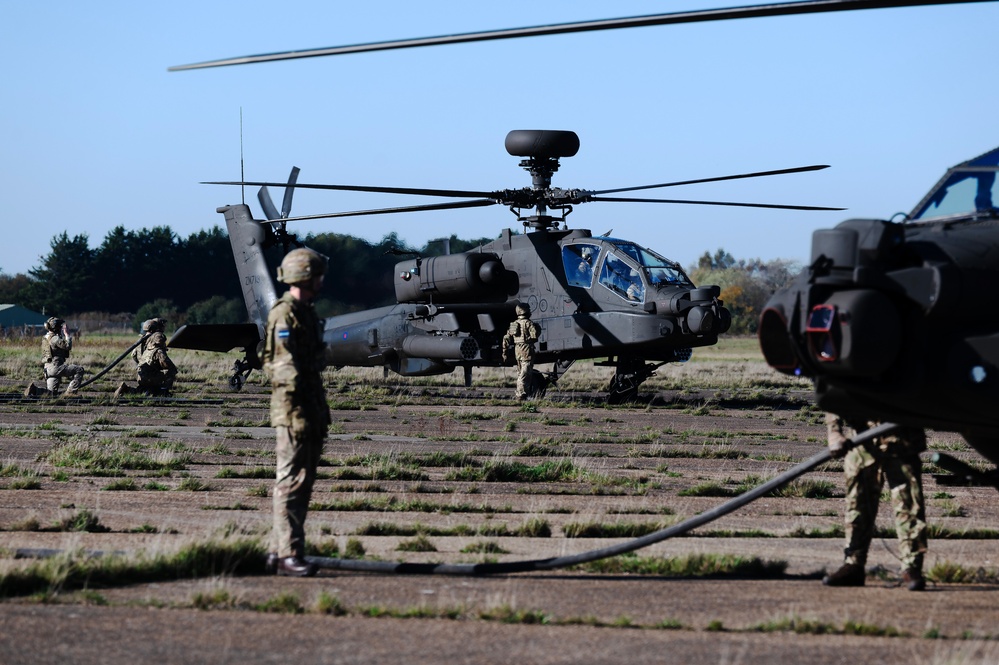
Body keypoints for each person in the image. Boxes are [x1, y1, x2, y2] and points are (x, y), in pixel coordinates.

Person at [262, 248, 331, 577]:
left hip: (309, 406)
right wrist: (301, 410)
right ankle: (289, 553)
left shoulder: (305, 312)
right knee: (291, 482)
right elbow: (283, 366)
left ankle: (278, 553)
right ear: (305, 276)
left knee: (301, 482)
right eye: (317, 275)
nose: (321, 281)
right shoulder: (285, 314)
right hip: (294, 410)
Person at [823, 413, 928, 591]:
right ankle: (853, 565)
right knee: (857, 505)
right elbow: (834, 390)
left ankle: (911, 568)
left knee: (908, 506)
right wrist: (834, 431)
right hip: (862, 441)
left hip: (902, 439)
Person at [114, 318, 178, 398]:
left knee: (144, 391)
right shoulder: (157, 350)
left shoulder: (141, 343)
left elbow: (135, 357)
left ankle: (126, 390)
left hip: (141, 376)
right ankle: (163, 390)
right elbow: (168, 365)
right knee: (172, 371)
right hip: (151, 377)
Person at [32, 317, 84, 397]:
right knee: (79, 370)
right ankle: (71, 393)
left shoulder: (46, 337)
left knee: (51, 394)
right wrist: (67, 334)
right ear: (56, 328)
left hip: (48, 369)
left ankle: (35, 390)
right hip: (56, 367)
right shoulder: (55, 338)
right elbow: (67, 346)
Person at [502, 303, 540, 401]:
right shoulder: (529, 323)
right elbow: (534, 336)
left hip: (517, 351)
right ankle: (520, 395)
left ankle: (523, 394)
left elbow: (506, 338)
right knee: (525, 374)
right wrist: (537, 328)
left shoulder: (514, 324)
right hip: (527, 351)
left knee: (520, 373)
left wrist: (504, 352)